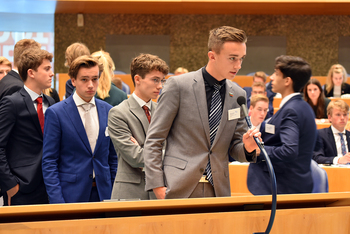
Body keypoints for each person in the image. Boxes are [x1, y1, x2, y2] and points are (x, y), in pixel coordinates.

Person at [143, 26, 260, 199]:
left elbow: (235, 147)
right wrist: (157, 186)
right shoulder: (178, 86)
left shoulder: (238, 94)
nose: (238, 65)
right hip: (177, 187)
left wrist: (249, 148)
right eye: (232, 58)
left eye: (241, 59)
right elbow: (154, 139)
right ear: (212, 56)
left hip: (218, 190)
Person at [42, 55, 118, 203]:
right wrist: (57, 201)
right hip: (71, 195)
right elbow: (49, 161)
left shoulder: (108, 111)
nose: (90, 85)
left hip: (105, 194)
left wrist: (115, 193)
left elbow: (113, 158)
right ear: (73, 81)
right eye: (84, 79)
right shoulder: (56, 113)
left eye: (95, 79)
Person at [247, 55, 317, 195]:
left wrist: (259, 150)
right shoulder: (304, 107)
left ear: (287, 81)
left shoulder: (291, 110)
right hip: (292, 184)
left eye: (276, 74)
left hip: (282, 187)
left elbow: (289, 151)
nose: (271, 77)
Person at [108, 53, 169, 200]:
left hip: (161, 192)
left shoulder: (164, 110)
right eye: (155, 80)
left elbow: (178, 148)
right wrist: (168, 155)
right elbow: (135, 157)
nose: (160, 86)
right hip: (131, 193)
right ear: (137, 79)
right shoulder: (118, 113)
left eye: (162, 80)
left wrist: (145, 151)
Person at [0, 47, 55, 206]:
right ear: (31, 73)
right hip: (22, 187)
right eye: (46, 69)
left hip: (49, 185)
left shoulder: (50, 103)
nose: (51, 73)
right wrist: (10, 184)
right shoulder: (12, 102)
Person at [313, 100, 350, 165]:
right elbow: (317, 158)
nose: (342, 118)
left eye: (345, 114)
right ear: (330, 117)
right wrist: (338, 160)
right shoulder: (320, 135)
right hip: (331, 172)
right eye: (338, 115)